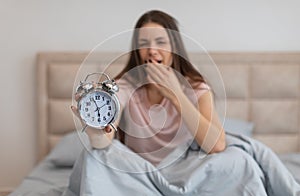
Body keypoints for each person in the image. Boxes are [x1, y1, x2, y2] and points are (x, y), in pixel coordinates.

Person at [72, 10, 226, 166]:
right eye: (144, 44)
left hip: (185, 170)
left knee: (236, 161)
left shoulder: (196, 87)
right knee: (93, 161)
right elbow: (103, 143)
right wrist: (96, 133)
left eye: (160, 42)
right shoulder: (124, 86)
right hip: (137, 170)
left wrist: (176, 95)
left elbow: (217, 146)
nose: (152, 50)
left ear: (174, 47)